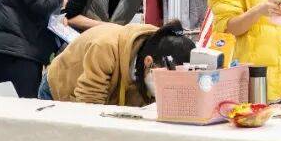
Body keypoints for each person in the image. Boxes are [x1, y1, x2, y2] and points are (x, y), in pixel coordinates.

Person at [39, 20, 195, 104]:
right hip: (60, 88)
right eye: (166, 82)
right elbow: (88, 105)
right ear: (149, 62)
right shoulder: (105, 47)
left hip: (103, 96)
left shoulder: (157, 45)